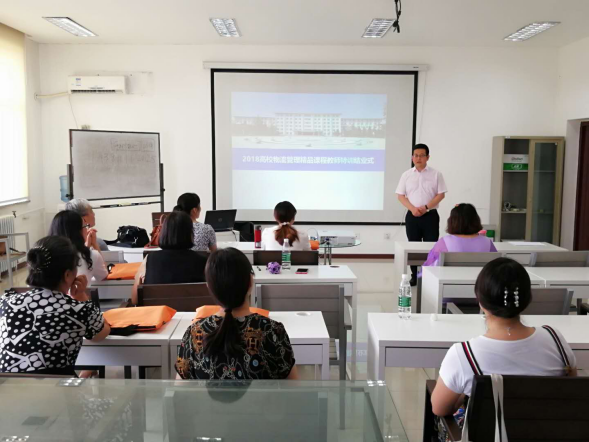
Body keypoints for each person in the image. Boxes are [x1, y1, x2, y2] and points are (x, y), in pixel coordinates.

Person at [431, 258, 577, 421]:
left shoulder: (464, 355)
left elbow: (439, 408)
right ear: (527, 299)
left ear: (480, 301)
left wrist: (463, 396)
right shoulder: (556, 340)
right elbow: (572, 392)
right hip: (550, 431)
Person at [175, 248, 298, 380]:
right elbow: (293, 387)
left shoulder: (194, 333)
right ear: (250, 282)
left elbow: (180, 389)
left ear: (209, 287)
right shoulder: (273, 331)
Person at [0, 236, 110, 375]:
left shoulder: (6, 301)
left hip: (7, 386)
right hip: (57, 387)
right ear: (68, 275)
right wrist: (81, 296)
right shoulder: (77, 309)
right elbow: (101, 333)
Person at [396, 144, 447, 286]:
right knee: (413, 246)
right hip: (412, 216)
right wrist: (413, 209)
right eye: (416, 155)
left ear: (427, 157)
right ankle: (415, 275)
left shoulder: (436, 174)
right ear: (412, 157)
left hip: (430, 216)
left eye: (422, 155)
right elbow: (400, 196)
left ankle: (430, 275)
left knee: (431, 247)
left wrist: (425, 207)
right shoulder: (406, 175)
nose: (418, 158)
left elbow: (441, 194)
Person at [132, 211, 208, 305]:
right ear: (190, 234)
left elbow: (135, 300)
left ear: (164, 232)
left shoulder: (149, 259)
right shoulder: (203, 261)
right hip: (193, 313)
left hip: (158, 312)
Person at [421, 203, 497, 270]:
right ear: (476, 220)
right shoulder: (487, 242)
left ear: (452, 221)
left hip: (449, 281)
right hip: (480, 281)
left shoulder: (444, 242)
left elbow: (428, 267)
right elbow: (497, 266)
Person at [49, 210, 108, 284]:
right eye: (85, 226)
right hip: (79, 291)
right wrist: (94, 244)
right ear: (78, 232)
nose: (87, 229)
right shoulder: (91, 255)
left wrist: (87, 246)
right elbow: (103, 276)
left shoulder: (47, 256)